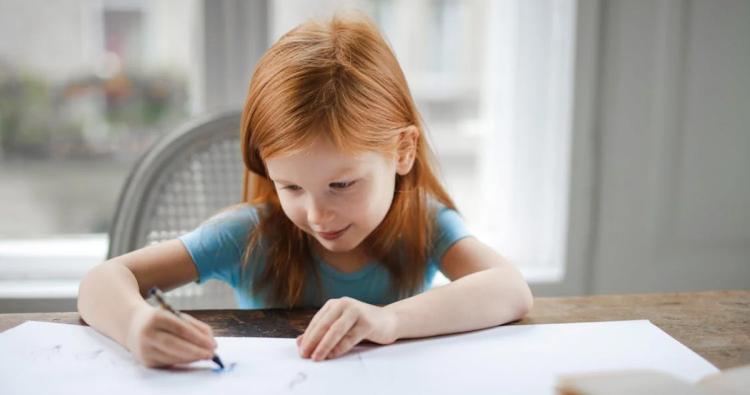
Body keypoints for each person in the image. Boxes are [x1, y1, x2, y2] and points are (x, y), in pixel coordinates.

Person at [77, 12, 533, 369]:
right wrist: (136, 325)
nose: (316, 214)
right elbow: (102, 282)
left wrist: (389, 320)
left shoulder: (423, 222)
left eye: (341, 184)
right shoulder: (249, 235)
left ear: (403, 151)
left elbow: (511, 290)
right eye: (290, 186)